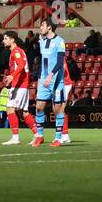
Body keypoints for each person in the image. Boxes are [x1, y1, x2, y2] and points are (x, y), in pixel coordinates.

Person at [33, 18, 67, 148]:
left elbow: (59, 63)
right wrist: (41, 77)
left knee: (57, 109)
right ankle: (40, 136)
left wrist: (50, 76)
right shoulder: (42, 41)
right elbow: (43, 60)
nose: (40, 27)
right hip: (43, 79)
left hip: (56, 80)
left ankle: (58, 138)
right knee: (39, 107)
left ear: (49, 28)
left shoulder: (60, 41)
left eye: (42, 25)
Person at [0, 30, 38, 145]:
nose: (3, 41)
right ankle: (37, 135)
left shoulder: (16, 51)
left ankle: (15, 138)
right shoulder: (18, 51)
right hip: (21, 84)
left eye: (6, 38)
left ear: (12, 40)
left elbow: (21, 65)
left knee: (10, 108)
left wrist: (12, 76)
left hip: (20, 85)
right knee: (23, 112)